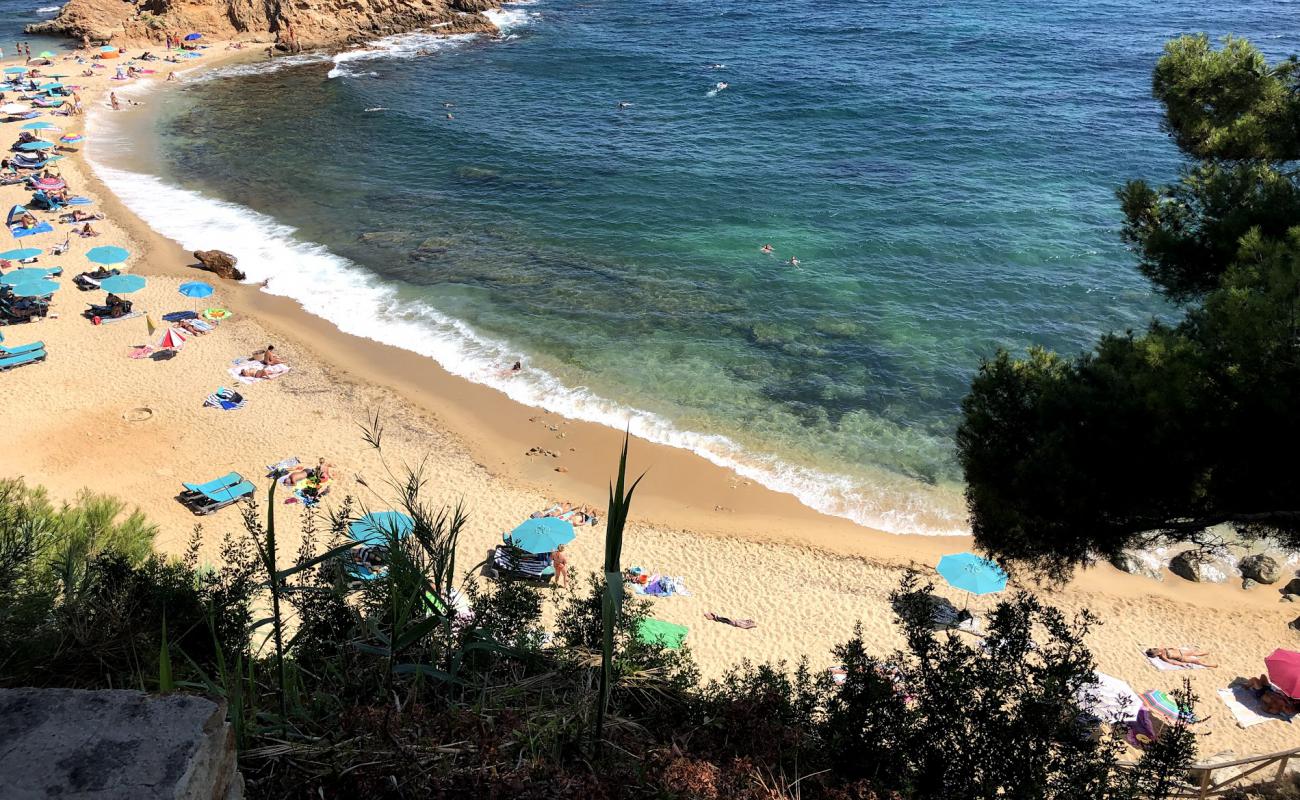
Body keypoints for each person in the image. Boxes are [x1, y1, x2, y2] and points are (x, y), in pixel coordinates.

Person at [1146, 647, 1218, 669]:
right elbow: (1172, 662)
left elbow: (1170, 647)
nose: (1156, 650)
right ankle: (1212, 665)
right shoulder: (1163, 657)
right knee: (1197, 661)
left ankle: (1207, 652)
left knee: (1194, 652)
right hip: (1182, 658)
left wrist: (1173, 648)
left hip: (1181, 651)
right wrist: (1181, 664)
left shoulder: (1161, 649)